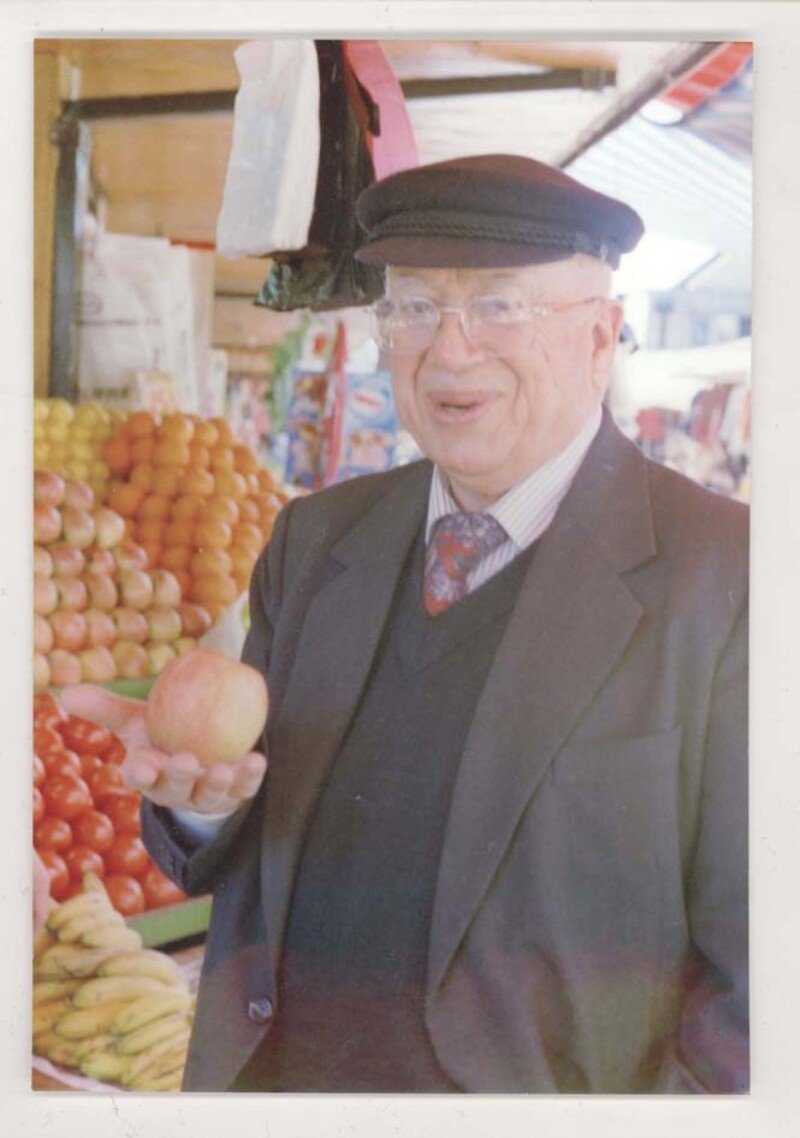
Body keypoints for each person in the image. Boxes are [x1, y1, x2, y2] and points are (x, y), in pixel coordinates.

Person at [62, 154, 749, 1095]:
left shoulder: (730, 574)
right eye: (415, 307)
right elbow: (245, 841)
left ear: (600, 337)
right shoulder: (316, 539)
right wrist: (200, 801)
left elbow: (760, 995)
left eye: (500, 307)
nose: (450, 352)